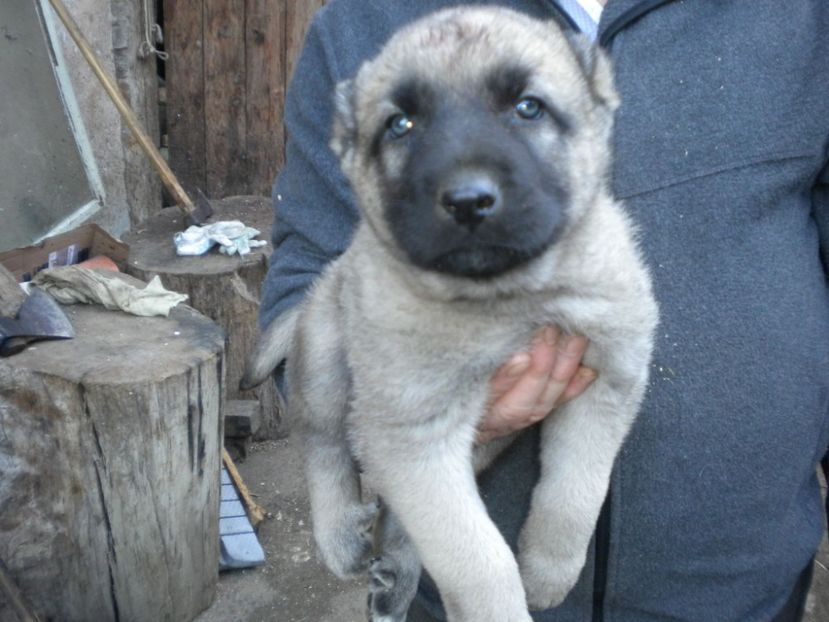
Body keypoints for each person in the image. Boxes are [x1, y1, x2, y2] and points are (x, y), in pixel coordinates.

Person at [259, 0, 829, 620]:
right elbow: (308, 270)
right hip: (461, 574)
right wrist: (388, 427)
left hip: (742, 584)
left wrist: (560, 534)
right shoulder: (360, 20)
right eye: (403, 125)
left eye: (528, 108)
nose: (469, 184)